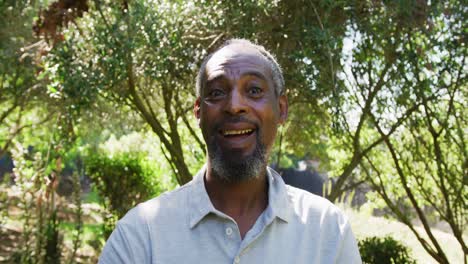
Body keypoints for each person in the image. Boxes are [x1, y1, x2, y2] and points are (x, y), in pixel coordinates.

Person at [99, 39, 362, 264]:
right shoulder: (139, 237)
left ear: (281, 109)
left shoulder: (327, 231)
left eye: (254, 90)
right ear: (199, 112)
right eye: (216, 92)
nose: (235, 106)